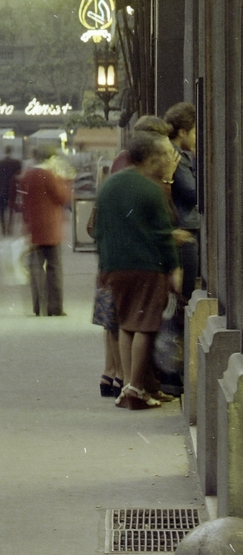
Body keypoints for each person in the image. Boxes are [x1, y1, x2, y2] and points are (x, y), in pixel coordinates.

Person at [94, 129, 182, 410]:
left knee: (125, 325)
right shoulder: (151, 189)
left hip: (115, 268)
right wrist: (174, 269)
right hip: (147, 267)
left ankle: (127, 387)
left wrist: (105, 267)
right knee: (145, 325)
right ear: (153, 159)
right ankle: (135, 388)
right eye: (166, 155)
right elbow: (161, 235)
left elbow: (99, 230)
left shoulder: (109, 185)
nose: (170, 159)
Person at [18, 146, 71, 316]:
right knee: (54, 267)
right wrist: (62, 177)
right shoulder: (50, 175)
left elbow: (22, 201)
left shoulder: (27, 175)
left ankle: (38, 306)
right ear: (50, 159)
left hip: (34, 228)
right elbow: (63, 197)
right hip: (51, 228)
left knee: (35, 268)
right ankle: (54, 308)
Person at [165, 101, 200, 302]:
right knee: (185, 290)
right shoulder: (176, 155)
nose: (196, 139)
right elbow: (192, 191)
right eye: (194, 133)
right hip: (183, 225)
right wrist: (196, 161)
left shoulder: (173, 153)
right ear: (183, 132)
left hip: (180, 222)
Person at [0, 145, 22, 236]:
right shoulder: (16, 163)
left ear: (4, 151)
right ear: (11, 151)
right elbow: (19, 176)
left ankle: (3, 228)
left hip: (1, 189)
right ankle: (10, 227)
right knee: (11, 209)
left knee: (1, 210)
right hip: (12, 189)